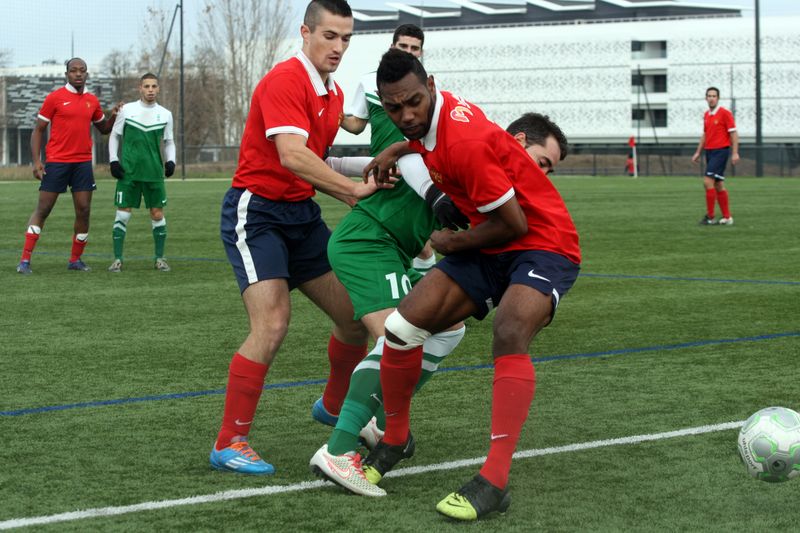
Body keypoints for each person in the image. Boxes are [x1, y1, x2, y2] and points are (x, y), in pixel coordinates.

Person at [360, 50, 581, 521]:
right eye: (395, 108)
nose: (407, 115)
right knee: (402, 327)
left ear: (433, 85)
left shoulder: (466, 141)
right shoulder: (428, 120)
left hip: (542, 242)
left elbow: (515, 224)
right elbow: (423, 139)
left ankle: (495, 481)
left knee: (509, 331)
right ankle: (396, 438)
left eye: (414, 102)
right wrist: (394, 148)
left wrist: (450, 241)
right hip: (491, 241)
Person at [308, 111, 573, 499]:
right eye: (543, 162)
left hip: (395, 249)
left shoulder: (483, 165)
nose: (544, 174)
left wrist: (429, 259)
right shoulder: (468, 144)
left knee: (447, 329)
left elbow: (408, 155)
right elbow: (416, 153)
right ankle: (339, 448)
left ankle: (379, 423)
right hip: (369, 242)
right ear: (517, 141)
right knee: (397, 338)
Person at [209, 0, 384, 476]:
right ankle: (230, 440)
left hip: (300, 215)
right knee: (273, 323)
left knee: (353, 316)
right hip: (257, 212)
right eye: (330, 36)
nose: (339, 47)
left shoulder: (331, 91)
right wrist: (351, 191)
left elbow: (318, 158)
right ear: (305, 33)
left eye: (346, 38)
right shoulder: (286, 80)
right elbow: (290, 154)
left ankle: (331, 405)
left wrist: (371, 168)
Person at [340, 23, 437, 274]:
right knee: (382, 231)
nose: (408, 51)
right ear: (392, 46)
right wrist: (336, 116)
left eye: (414, 48)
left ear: (421, 53)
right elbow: (357, 125)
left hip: (417, 170)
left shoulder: (427, 87)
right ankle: (404, 292)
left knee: (422, 244)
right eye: (403, 45)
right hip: (380, 172)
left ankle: (423, 298)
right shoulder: (368, 82)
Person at [16, 58, 121, 274]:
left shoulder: (92, 100)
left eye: (82, 71)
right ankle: (25, 260)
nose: (78, 74)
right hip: (56, 162)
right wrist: (37, 162)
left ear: (87, 74)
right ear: (67, 74)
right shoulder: (55, 98)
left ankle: (75, 260)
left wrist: (115, 115)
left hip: (82, 163)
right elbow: (38, 131)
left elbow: (103, 128)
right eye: (74, 71)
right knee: (43, 209)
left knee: (83, 211)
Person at [107, 73, 176, 273]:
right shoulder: (127, 110)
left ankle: (160, 259)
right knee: (122, 215)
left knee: (157, 214)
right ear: (140, 88)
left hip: (154, 173)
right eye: (147, 86)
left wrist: (171, 161)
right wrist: (113, 160)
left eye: (154, 86)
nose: (151, 90)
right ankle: (117, 259)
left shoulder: (165, 114)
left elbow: (169, 141)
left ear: (159, 89)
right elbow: (114, 136)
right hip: (129, 173)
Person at [692, 86, 739, 226]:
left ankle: (710, 216)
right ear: (706, 98)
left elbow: (734, 133)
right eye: (709, 96)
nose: (711, 98)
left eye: (714, 96)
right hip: (710, 152)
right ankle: (727, 217)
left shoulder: (725, 113)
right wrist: (698, 152)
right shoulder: (707, 115)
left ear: (718, 98)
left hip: (721, 151)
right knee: (718, 184)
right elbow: (705, 135)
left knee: (707, 182)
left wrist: (735, 152)